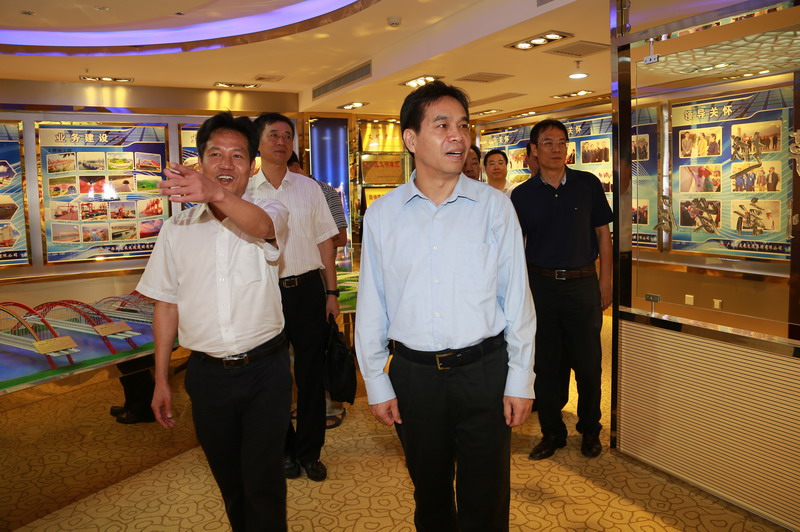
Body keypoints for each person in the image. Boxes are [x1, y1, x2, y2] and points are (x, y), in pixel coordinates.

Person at [355, 80, 536, 531]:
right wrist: (376, 381)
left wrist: (520, 378)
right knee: (430, 495)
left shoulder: (494, 208)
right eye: (442, 125)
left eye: (463, 125)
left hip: (484, 372)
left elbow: (517, 299)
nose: (458, 136)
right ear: (411, 139)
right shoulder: (383, 215)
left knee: (486, 497)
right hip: (415, 377)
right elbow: (373, 304)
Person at [139, 112, 291, 531]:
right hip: (206, 376)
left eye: (237, 155)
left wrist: (215, 194)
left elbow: (262, 227)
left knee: (263, 481)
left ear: (252, 165)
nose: (226, 164)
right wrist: (161, 380)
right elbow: (166, 305)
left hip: (266, 372)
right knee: (230, 481)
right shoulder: (176, 229)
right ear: (200, 162)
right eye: (215, 154)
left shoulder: (271, 209)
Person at [510, 118, 612, 461]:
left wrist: (605, 281)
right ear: (534, 151)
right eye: (548, 143)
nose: (556, 149)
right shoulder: (522, 195)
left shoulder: (587, 184)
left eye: (561, 143)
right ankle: (552, 433)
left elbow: (603, 235)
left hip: (583, 284)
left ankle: (590, 429)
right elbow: (514, 248)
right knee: (546, 365)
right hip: (540, 288)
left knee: (588, 364)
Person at [248, 113, 340, 482]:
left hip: (308, 291)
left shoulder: (308, 188)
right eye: (273, 135)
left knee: (311, 375)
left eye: (288, 136)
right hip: (265, 293)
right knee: (274, 378)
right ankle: (284, 449)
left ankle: (310, 451)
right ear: (258, 142)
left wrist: (331, 291)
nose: (282, 142)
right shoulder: (245, 191)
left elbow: (325, 242)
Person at [287, 150, 348, 429]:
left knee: (320, 347)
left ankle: (328, 405)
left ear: (296, 166)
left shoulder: (323, 191)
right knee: (291, 352)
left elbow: (340, 237)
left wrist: (304, 244)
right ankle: (298, 404)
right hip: (284, 281)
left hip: (318, 276)